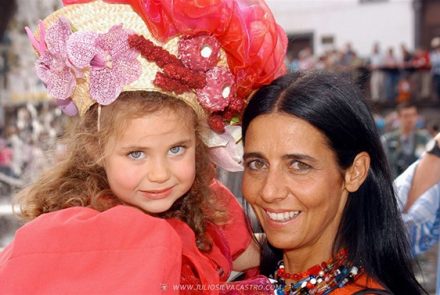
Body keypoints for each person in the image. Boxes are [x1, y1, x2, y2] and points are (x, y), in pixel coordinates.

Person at [0, 0, 287, 294]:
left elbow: (259, 255)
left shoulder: (207, 202)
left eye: (177, 149)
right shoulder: (75, 235)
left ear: (198, 142)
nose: (160, 174)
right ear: (94, 147)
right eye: (136, 154)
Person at [240, 71, 426, 294]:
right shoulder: (247, 278)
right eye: (256, 164)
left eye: (299, 165)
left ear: (354, 172)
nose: (269, 192)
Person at [381, 101, 431, 178]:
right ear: (398, 117)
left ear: (417, 116)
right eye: (406, 116)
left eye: (413, 115)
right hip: (395, 183)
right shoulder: (387, 140)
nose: (410, 119)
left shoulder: (425, 138)